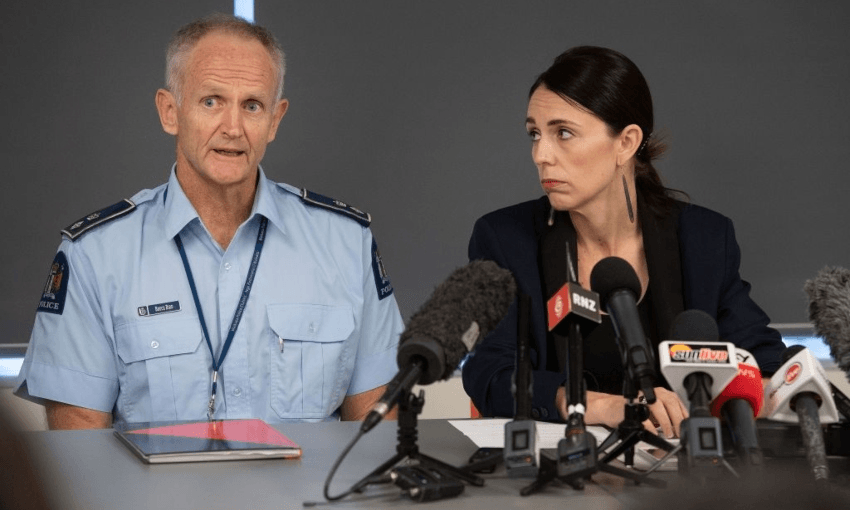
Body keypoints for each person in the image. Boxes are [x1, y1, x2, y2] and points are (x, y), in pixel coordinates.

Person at [14, 13, 403, 429]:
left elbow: (378, 430)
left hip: (304, 496)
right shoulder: (94, 255)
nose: (233, 128)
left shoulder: (347, 243)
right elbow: (80, 456)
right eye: (211, 101)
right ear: (170, 111)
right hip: (156, 496)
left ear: (274, 120)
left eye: (252, 106)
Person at [461, 46, 785, 438]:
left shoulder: (703, 238)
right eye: (535, 134)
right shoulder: (504, 239)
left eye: (563, 133)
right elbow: (491, 374)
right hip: (560, 474)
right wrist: (602, 406)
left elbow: (762, 359)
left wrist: (786, 389)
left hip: (682, 478)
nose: (541, 155)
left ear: (627, 143)